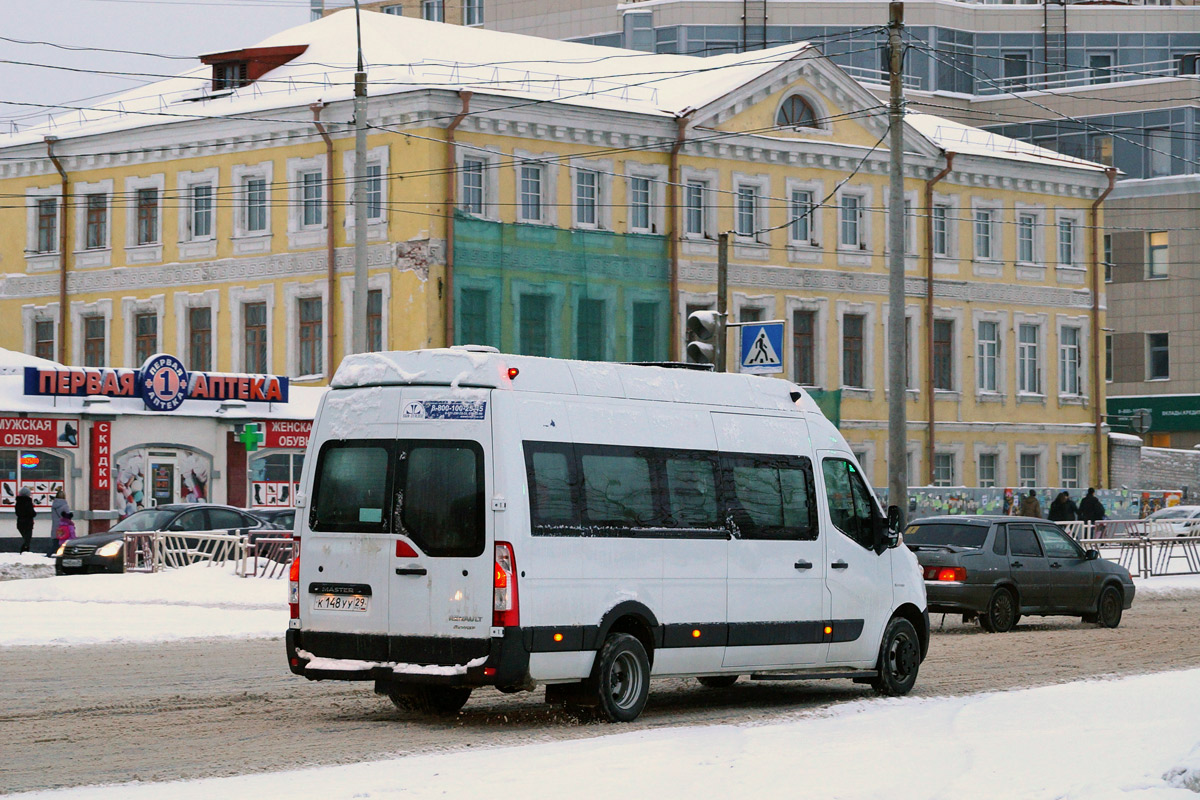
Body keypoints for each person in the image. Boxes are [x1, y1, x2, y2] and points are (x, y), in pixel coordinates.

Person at [48, 489, 71, 556]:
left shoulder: (54, 505)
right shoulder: (65, 505)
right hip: (63, 526)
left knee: (55, 542)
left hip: (56, 525)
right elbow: (67, 516)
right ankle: (51, 554)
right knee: (62, 543)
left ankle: (49, 554)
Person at [15, 486, 36, 554]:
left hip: (20, 523)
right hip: (28, 523)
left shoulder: (18, 502)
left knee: (26, 540)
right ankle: (24, 552)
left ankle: (24, 553)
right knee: (27, 540)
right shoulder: (28, 502)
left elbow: (17, 513)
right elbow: (31, 513)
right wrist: (34, 513)